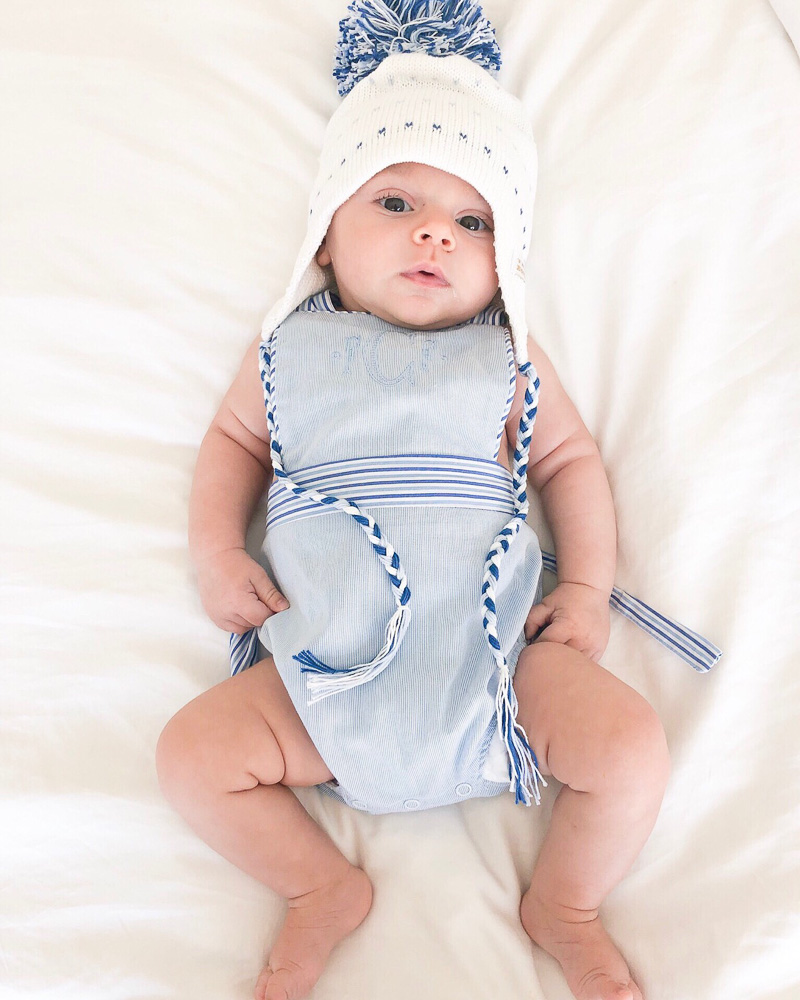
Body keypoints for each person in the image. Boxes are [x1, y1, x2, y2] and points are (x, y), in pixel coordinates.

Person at [156, 5, 674, 999]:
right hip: (322, 680)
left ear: (500, 262)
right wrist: (217, 550)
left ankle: (562, 902)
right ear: (326, 231)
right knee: (190, 755)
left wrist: (591, 586)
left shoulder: (504, 355)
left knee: (628, 748)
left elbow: (567, 460)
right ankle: (317, 887)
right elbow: (231, 443)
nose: (433, 229)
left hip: (497, 677)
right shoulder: (289, 351)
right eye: (393, 203)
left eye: (470, 220)